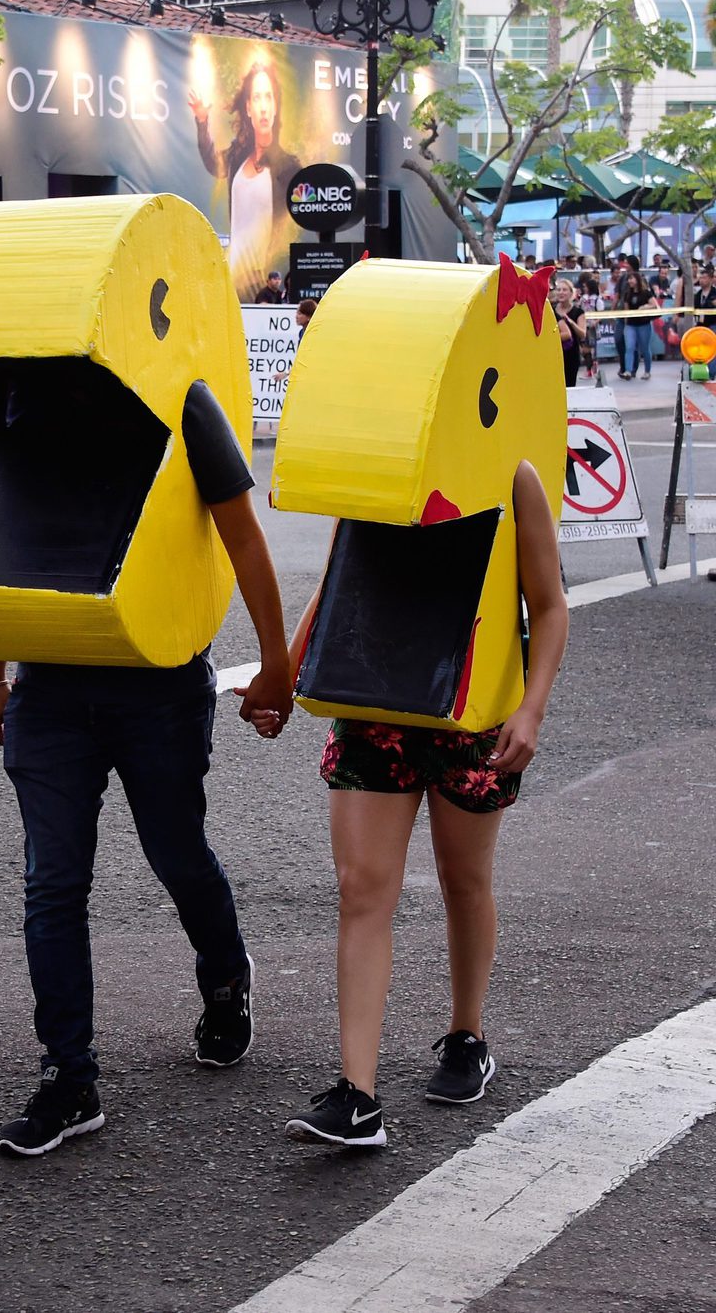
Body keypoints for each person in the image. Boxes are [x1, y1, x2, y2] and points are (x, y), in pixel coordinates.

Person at [0, 371, 294, 1159]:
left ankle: (225, 978)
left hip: (160, 681)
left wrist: (276, 662)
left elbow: (241, 533)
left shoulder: (180, 397)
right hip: (51, 685)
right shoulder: (25, 392)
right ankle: (69, 1077)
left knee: (177, 856)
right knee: (52, 882)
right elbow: (0, 531)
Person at [267, 468, 568, 1148]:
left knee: (464, 881)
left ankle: (467, 1037)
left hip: (473, 714)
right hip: (372, 703)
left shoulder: (508, 471)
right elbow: (338, 579)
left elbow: (548, 604)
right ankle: (358, 1096)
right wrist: (284, 677)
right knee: (361, 890)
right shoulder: (376, 448)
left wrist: (531, 709)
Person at [189, 60, 301, 302]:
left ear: (275, 106)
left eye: (269, 97)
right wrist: (202, 122)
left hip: (263, 280)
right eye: (257, 97)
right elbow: (212, 163)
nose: (263, 106)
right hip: (231, 277)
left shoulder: (287, 165)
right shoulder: (237, 155)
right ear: (248, 107)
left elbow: (300, 213)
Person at [620, 270, 659, 380]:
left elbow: (654, 305)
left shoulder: (646, 293)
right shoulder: (628, 294)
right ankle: (628, 371)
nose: (629, 281)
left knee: (645, 348)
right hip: (631, 325)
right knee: (630, 347)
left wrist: (645, 307)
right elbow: (626, 310)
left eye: (631, 278)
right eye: (628, 279)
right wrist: (625, 325)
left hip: (644, 324)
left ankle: (647, 371)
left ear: (637, 279)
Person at [550, 278, 586, 387]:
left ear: (571, 293)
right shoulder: (551, 310)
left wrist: (571, 323)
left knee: (569, 385)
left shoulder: (578, 311)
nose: (561, 292)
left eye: (564, 290)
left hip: (571, 354)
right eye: (558, 289)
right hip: (553, 352)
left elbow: (583, 334)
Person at [576, 274, 603, 377]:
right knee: (584, 348)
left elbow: (601, 314)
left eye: (586, 287)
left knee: (588, 347)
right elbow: (579, 308)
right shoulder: (583, 298)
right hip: (583, 325)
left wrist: (595, 322)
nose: (584, 288)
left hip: (592, 327)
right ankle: (592, 364)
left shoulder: (597, 300)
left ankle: (589, 368)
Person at [694, 264, 716, 378]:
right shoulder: (697, 295)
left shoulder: (714, 293)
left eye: (705, 278)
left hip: (713, 325)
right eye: (701, 278)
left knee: (712, 350)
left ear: (711, 279)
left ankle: (711, 373)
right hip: (701, 327)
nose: (702, 280)